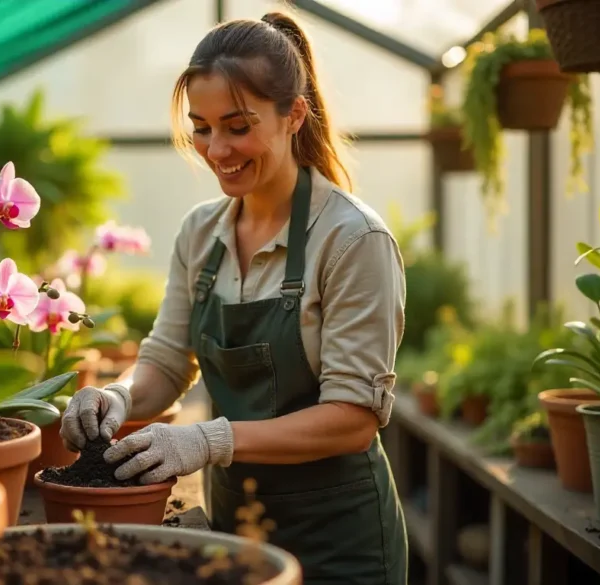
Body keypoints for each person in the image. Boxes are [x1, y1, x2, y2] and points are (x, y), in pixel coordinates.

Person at [60, 11, 408, 585]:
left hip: (341, 545)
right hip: (234, 529)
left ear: (294, 115)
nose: (216, 149)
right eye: (201, 128)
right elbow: (167, 361)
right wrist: (117, 397)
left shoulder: (352, 239)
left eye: (238, 126)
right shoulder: (201, 233)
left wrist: (208, 438)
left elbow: (353, 419)